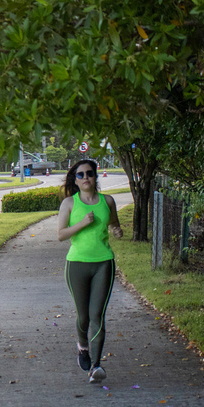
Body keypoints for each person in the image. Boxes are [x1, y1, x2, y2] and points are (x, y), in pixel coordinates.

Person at [57, 159, 123, 383]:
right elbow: (61, 234)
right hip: (76, 264)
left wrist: (116, 230)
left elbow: (114, 223)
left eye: (89, 173)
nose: (85, 177)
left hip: (103, 263)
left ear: (95, 177)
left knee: (97, 315)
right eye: (80, 175)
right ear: (75, 180)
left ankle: (96, 366)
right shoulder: (69, 203)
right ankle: (82, 346)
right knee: (83, 316)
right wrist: (83, 223)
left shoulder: (108, 201)